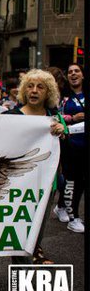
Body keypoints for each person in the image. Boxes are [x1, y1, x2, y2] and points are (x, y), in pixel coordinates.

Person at [5, 69, 69, 260]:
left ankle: (32, 259)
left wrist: (62, 131)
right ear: (24, 90)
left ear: (48, 92)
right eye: (30, 86)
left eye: (40, 87)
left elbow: (63, 147)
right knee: (19, 233)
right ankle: (22, 279)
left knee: (37, 231)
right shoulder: (11, 116)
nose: (34, 91)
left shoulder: (54, 117)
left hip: (47, 185)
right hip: (18, 186)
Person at [59, 63, 84, 232]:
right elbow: (56, 115)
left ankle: (63, 207)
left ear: (82, 75)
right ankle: (73, 218)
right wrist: (72, 118)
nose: (73, 74)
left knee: (82, 183)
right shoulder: (63, 97)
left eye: (77, 71)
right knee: (71, 182)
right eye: (70, 72)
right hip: (71, 145)